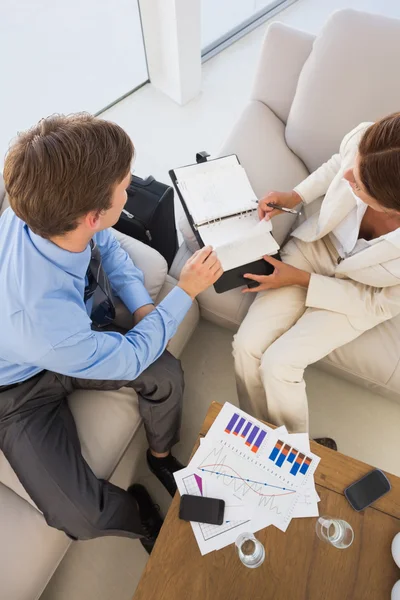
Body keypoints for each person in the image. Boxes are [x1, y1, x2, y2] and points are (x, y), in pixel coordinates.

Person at [0, 113, 223, 554]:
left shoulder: (43, 216)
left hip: (73, 337)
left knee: (167, 374)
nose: (130, 189)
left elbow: (106, 245)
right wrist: (187, 291)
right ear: (92, 213)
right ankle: (138, 515)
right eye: (126, 185)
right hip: (17, 390)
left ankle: (160, 457)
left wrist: (143, 307)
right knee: (80, 517)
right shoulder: (43, 323)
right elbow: (132, 356)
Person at [233, 113, 400, 439]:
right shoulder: (364, 139)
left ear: (391, 207)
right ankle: (260, 438)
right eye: (356, 162)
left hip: (358, 295)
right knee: (246, 348)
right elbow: (338, 165)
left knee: (280, 366)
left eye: (360, 184)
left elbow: (377, 303)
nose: (348, 174)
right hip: (315, 248)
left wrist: (300, 280)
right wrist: (295, 195)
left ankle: (294, 452)